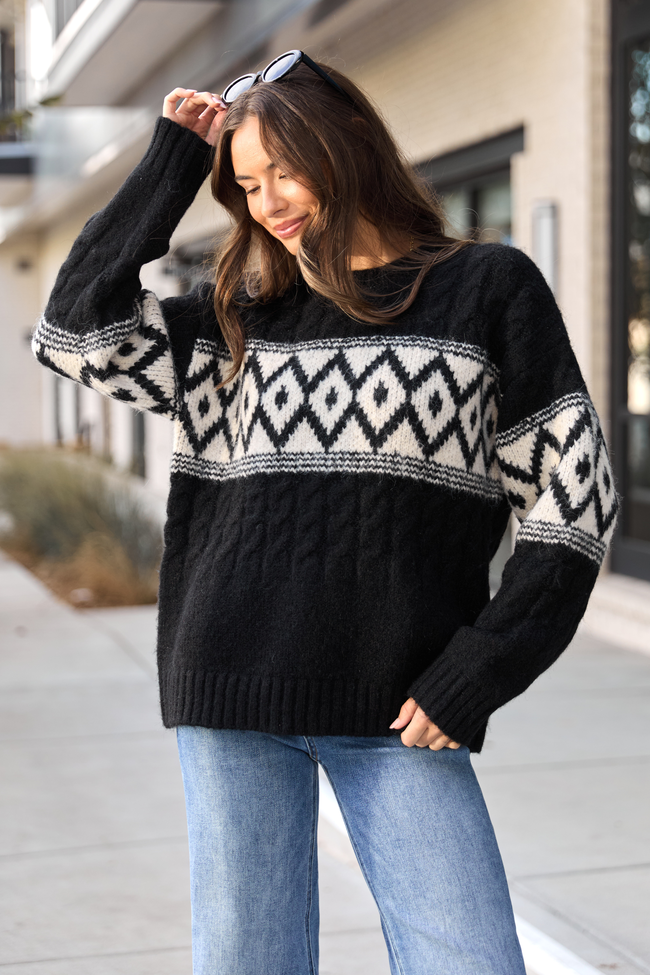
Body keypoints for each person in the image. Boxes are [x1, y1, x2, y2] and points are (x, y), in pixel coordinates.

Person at [33, 51, 618, 975]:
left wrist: (484, 667)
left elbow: (574, 499)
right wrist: (173, 161)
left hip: (403, 704)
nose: (268, 202)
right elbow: (73, 332)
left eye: (284, 171)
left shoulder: (487, 289)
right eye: (246, 185)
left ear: (345, 142)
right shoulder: (234, 316)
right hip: (231, 688)